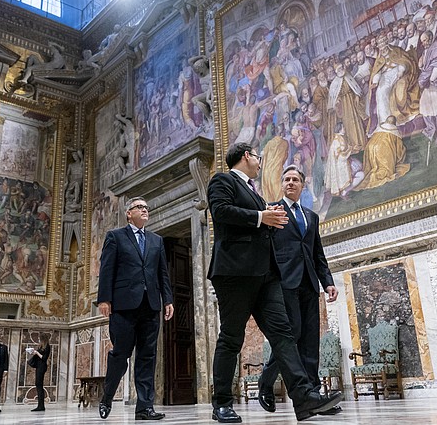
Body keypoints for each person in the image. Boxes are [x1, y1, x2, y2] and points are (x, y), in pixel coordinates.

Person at [206, 142, 343, 423]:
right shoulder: (224, 180)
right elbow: (220, 212)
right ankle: (221, 403)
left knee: (283, 336)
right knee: (232, 338)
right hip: (235, 274)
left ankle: (304, 398)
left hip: (267, 277)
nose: (260, 163)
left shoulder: (256, 194)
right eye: (258, 157)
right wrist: (261, 217)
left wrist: (266, 220)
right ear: (246, 157)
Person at [257, 165, 340, 415]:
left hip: (309, 283)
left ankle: (314, 397)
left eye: (295, 180)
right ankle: (266, 381)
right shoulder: (272, 211)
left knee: (309, 340)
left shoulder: (311, 216)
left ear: (302, 186)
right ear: (282, 184)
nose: (290, 183)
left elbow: (317, 253)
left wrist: (328, 282)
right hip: (283, 282)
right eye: (287, 179)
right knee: (291, 335)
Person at [96, 197, 174, 421]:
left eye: (147, 208)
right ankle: (107, 397)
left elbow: (162, 273)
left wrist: (167, 299)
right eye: (140, 207)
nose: (145, 210)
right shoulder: (115, 236)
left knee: (147, 356)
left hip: (150, 305)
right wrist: (104, 299)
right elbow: (107, 269)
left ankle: (144, 407)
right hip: (123, 306)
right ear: (128, 213)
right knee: (120, 355)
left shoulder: (156, 240)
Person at [29, 334, 51, 411]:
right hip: (39, 366)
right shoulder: (41, 347)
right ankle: (40, 405)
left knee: (39, 384)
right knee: (38, 385)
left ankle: (41, 406)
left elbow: (44, 358)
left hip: (42, 367)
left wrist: (37, 353)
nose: (38, 341)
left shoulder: (47, 346)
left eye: (39, 339)